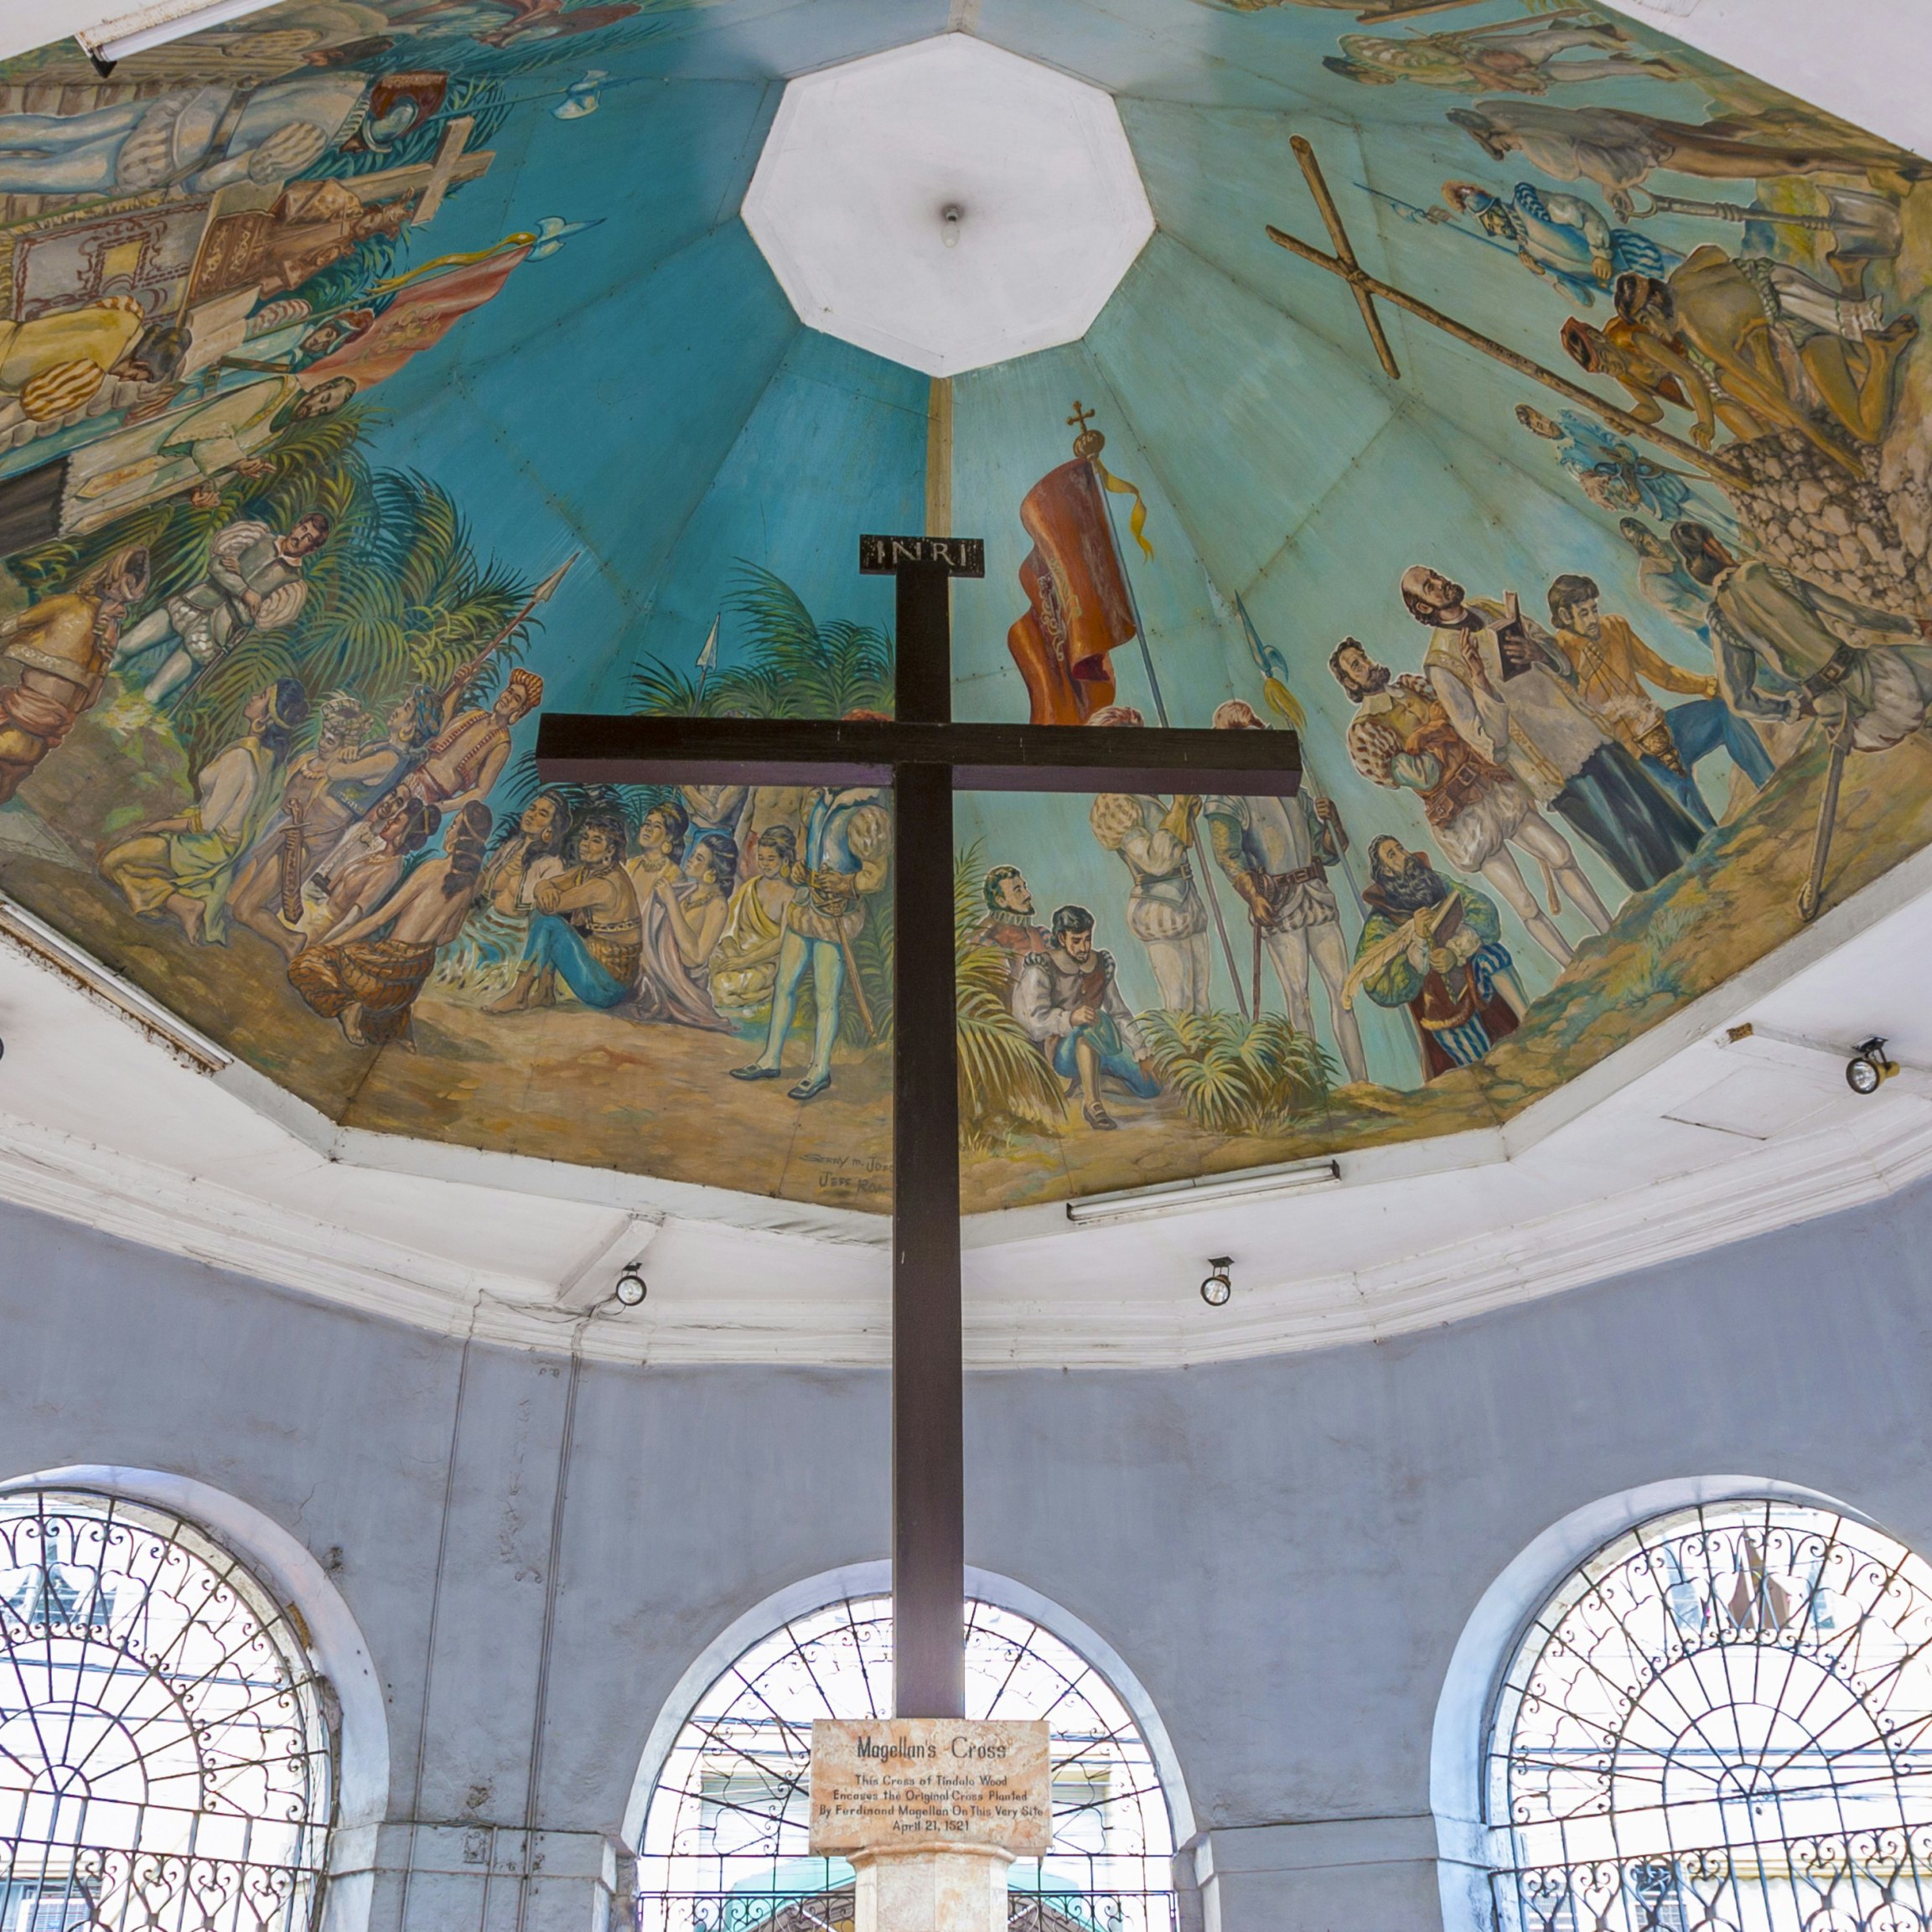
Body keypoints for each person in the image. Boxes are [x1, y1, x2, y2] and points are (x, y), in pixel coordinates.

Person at [1400, 565, 1704, 893]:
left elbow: (1563, 663)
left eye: (1436, 576)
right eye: (1429, 586)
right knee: (1623, 838)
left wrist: (1538, 652)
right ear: (1423, 607)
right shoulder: (1441, 664)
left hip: (1581, 727)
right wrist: (1479, 680)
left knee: (1654, 809)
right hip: (1549, 762)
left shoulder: (1487, 607)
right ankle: (1674, 898)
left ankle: (1708, 868)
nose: (1441, 582)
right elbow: (1487, 742)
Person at [1329, 636, 1608, 965]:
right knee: (1525, 903)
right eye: (1356, 666)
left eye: (1363, 656)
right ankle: (1573, 966)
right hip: (1459, 816)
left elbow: (1464, 723)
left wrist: (1424, 737)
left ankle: (1612, 931)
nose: (1366, 665)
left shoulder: (1411, 686)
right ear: (1350, 683)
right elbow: (1424, 775)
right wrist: (1437, 726)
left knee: (1560, 853)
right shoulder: (1365, 733)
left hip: (1489, 784)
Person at [1202, 700, 1369, 1085]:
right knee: (1298, 997)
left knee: (1343, 992)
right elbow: (1228, 856)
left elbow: (1328, 851)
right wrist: (1253, 896)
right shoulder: (1227, 797)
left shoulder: (1295, 789)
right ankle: (1316, 1087)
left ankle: (1361, 1082)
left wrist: (1332, 821)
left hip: (1316, 895)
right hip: (1279, 903)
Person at [1673, 523, 1932, 753]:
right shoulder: (1760, 572)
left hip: (1840, 715)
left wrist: (1792, 709)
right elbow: (1847, 612)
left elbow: (1738, 700)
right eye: (1717, 543)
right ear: (1712, 547)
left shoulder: (1720, 618)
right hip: (1875, 676)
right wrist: (1911, 625)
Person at [1448, 101, 1929, 222]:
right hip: (1655, 139)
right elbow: (1601, 149)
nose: (1505, 150)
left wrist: (1615, 187)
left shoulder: (1541, 146)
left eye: (1499, 144)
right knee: (1728, 136)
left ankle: (1887, 166)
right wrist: (1612, 188)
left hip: (1668, 154)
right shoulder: (1561, 123)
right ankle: (1781, 118)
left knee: (1790, 163)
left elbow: (1601, 164)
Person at [1546, 572, 1771, 828]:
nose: (1593, 619)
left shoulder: (1615, 628)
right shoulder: (1559, 660)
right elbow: (1578, 724)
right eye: (1584, 613)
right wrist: (1584, 677)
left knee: (1723, 713)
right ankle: (1716, 841)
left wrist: (1707, 685)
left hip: (1664, 728)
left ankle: (1772, 784)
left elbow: (1662, 673)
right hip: (1635, 757)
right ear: (1565, 616)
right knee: (1686, 805)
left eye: (1594, 610)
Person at [1626, 256, 1917, 453]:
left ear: (1655, 304)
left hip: (1799, 333)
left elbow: (1773, 395)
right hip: (1784, 291)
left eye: (1647, 320)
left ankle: (1883, 354)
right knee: (1860, 358)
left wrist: (1831, 449)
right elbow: (1714, 252)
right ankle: (1850, 279)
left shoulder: (1697, 333)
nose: (1653, 330)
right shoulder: (1681, 279)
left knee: (1869, 430)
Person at [99, 677, 308, 943]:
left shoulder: (241, 758)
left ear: (265, 718)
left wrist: (160, 825)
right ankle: (176, 903)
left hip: (203, 847)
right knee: (131, 864)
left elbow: (205, 824)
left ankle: (184, 906)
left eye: (262, 696)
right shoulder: (273, 762)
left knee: (111, 863)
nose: (254, 696)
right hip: (224, 848)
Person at [729, 783, 890, 1102]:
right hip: (806, 905)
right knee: (784, 984)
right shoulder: (818, 799)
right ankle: (770, 1058)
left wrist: (845, 883)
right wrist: (801, 870)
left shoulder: (866, 811)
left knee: (825, 997)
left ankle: (819, 1070)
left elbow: (876, 877)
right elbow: (805, 853)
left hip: (834, 914)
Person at [288, 801, 491, 1045]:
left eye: (454, 824)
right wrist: (417, 948)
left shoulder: (431, 870)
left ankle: (346, 1008)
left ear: (460, 836)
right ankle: (390, 1021)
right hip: (410, 982)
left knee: (304, 965)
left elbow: (380, 918)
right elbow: (450, 935)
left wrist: (329, 945)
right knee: (377, 1002)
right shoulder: (467, 886)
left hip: (386, 966)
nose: (449, 829)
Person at [1345, 837, 1527, 1080]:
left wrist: (1455, 950)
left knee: (1492, 955)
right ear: (1386, 871)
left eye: (1401, 847)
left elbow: (1483, 909)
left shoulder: (1436, 882)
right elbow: (1377, 983)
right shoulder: (1381, 921)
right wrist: (1419, 942)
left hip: (1469, 974)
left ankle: (1530, 1022)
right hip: (1438, 1001)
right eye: (1392, 855)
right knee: (1483, 1066)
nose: (1403, 854)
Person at [111, 513, 329, 706]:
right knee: (123, 647)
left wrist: (238, 575)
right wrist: (246, 591)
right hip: (192, 603)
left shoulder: (293, 585)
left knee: (153, 694)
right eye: (302, 529)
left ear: (312, 549)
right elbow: (216, 567)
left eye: (308, 538)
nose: (300, 537)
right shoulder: (258, 536)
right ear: (296, 526)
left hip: (214, 633)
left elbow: (253, 618)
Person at [0, 546, 148, 805]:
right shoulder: (105, 633)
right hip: (37, 739)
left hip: (20, 728)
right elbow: (88, 700)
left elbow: (8, 626)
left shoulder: (78, 612)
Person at [225, 690, 370, 954]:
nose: (323, 743)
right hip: (271, 831)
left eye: (331, 740)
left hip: (295, 844)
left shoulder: (339, 778)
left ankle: (292, 941)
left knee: (244, 908)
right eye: (323, 736)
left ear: (344, 746)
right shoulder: (305, 759)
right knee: (231, 896)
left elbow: (328, 825)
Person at [1014, 904, 1160, 1132]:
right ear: (1061, 938)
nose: (1084, 947)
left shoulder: (1101, 964)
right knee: (1085, 1028)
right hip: (1061, 1053)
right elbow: (1033, 1022)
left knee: (1150, 1086)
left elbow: (1118, 1012)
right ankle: (1093, 1106)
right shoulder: (1041, 968)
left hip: (1101, 1044)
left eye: (1087, 939)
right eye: (1076, 941)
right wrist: (1070, 1018)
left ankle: (1091, 1081)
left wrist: (1141, 1050)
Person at [489, 807, 640, 1012]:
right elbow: (546, 884)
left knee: (548, 922)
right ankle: (544, 992)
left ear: (611, 850)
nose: (585, 844)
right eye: (585, 837)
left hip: (607, 988)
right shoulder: (590, 871)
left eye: (596, 840)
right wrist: (545, 888)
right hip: (596, 970)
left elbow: (552, 906)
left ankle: (520, 993)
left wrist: (546, 893)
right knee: (542, 916)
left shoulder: (605, 885)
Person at [1446, 181, 1677, 308]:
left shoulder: (1528, 204)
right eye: (1490, 227)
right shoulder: (1528, 255)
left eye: (1493, 217)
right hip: (1627, 294)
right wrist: (1542, 273)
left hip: (1634, 256)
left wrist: (1601, 253)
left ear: (1499, 207)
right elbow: (1583, 300)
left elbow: (1580, 211)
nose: (1497, 226)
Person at [435, 788, 572, 993]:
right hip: (485, 921)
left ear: (551, 828)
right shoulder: (511, 846)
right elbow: (490, 885)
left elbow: (541, 910)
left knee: (481, 966)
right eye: (532, 809)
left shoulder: (552, 863)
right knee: (450, 947)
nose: (532, 815)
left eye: (543, 814)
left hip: (515, 933)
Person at [1089, 792, 1211, 1014]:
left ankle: (1204, 1039)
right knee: (1180, 1001)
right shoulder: (1117, 802)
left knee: (1201, 998)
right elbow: (1156, 861)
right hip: (1159, 907)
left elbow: (1180, 845)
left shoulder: (1151, 797)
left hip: (1187, 901)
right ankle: (1179, 1039)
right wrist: (1179, 807)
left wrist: (1185, 812)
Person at [1329, 17, 1678, 94]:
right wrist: (1512, 84)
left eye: (1370, 80)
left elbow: (1458, 64)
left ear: (1359, 70)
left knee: (1544, 45)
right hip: (1487, 74)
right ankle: (1641, 68)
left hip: (1482, 58)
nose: (1379, 83)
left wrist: (1504, 77)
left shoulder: (1389, 59)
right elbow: (1459, 81)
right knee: (1566, 72)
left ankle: (1592, 34)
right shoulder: (1406, 75)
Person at [1515, 404, 1692, 522]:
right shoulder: (1565, 457)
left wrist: (1620, 445)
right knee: (1674, 517)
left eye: (1540, 417)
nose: (1545, 424)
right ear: (1539, 433)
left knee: (1685, 495)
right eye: (1539, 425)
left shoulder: (1569, 416)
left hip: (1639, 466)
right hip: (1631, 486)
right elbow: (1592, 482)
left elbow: (1602, 432)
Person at [633, 831, 734, 1031]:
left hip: (684, 985)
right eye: (693, 854)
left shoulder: (718, 905)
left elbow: (697, 957)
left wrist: (671, 902)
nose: (690, 859)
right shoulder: (686, 891)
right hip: (658, 972)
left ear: (712, 872)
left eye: (699, 858)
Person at [708, 825, 795, 1021]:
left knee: (722, 986)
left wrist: (744, 961)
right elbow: (730, 929)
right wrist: (733, 955)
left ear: (785, 860)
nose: (765, 864)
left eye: (771, 859)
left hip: (764, 962)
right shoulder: (750, 887)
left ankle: (764, 997)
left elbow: (781, 942)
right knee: (705, 971)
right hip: (737, 952)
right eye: (761, 858)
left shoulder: (790, 896)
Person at [1619, 517, 1717, 640]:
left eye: (1654, 539)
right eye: (1648, 544)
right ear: (1642, 549)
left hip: (1717, 603)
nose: (1657, 546)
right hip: (1704, 625)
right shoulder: (1650, 580)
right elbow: (1686, 605)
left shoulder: (1671, 546)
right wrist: (1719, 612)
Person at [971, 863, 1050, 1013]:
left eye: (1024, 887)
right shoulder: (983, 942)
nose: (1028, 895)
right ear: (1001, 901)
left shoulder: (1042, 935)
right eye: (1018, 890)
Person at [624, 797, 689, 906]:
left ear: (669, 836)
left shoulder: (674, 874)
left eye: (657, 826)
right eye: (647, 823)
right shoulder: (630, 864)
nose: (648, 829)